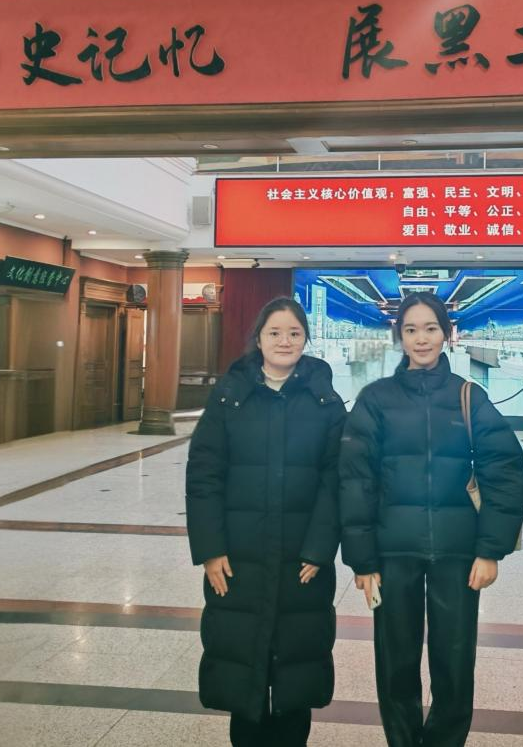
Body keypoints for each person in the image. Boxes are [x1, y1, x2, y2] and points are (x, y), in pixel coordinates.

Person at [340, 292, 523, 747]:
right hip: (393, 551)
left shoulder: (468, 396)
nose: (421, 339)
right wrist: (363, 560)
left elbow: (506, 471)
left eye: (430, 328)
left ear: (446, 333)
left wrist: (490, 550)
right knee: (396, 662)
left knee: (455, 660)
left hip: (457, 553)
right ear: (399, 336)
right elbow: (354, 480)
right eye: (411, 329)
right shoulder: (376, 399)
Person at [185, 297, 345, 747]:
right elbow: (204, 475)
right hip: (239, 555)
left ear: (306, 339)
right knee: (243, 665)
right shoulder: (229, 397)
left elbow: (337, 480)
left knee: (296, 668)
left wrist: (319, 548)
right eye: (274, 332)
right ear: (258, 338)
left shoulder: (326, 402)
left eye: (294, 333)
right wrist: (210, 549)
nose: (284, 341)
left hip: (302, 557)